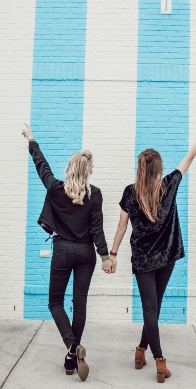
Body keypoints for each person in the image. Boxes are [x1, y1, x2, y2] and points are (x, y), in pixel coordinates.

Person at [108, 120, 196, 383]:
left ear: (140, 168)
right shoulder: (169, 184)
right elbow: (190, 156)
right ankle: (158, 360)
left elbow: (122, 227)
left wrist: (113, 253)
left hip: (143, 260)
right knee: (153, 307)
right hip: (167, 257)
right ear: (159, 168)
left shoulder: (130, 193)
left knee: (150, 308)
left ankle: (142, 352)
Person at [22, 123, 113, 382]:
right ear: (88, 171)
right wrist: (105, 257)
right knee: (79, 304)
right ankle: (72, 355)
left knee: (55, 302)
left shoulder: (55, 188)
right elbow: (97, 229)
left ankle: (72, 347)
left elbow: (42, 166)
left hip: (62, 250)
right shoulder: (95, 195)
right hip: (86, 253)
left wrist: (31, 139)